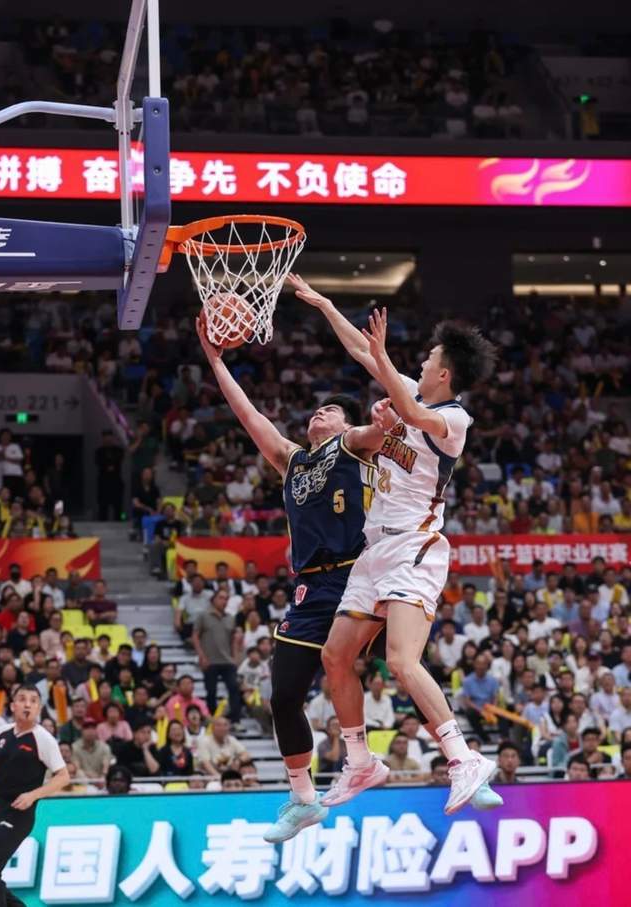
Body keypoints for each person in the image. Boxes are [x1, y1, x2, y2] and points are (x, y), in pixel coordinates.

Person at [294, 277, 499, 815]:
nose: (423, 362)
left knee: (402, 660)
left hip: (415, 547)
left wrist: (384, 363)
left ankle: (463, 758)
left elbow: (415, 415)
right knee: (335, 656)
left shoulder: (453, 418)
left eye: (430, 358)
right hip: (374, 551)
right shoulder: (409, 391)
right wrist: (326, 305)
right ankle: (361, 761)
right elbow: (361, 351)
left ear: (444, 373)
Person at [196, 310, 383, 844]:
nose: (319, 411)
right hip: (310, 589)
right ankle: (304, 798)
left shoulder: (356, 445)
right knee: (282, 696)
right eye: (317, 409)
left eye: (331, 409)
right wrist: (214, 358)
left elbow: (385, 427)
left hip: (358, 577)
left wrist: (387, 402)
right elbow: (247, 413)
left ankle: (444, 754)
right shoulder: (292, 459)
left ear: (345, 425)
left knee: (401, 663)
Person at [0, 684, 69, 907]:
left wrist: (33, 795)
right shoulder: (1, 733)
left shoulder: (43, 739)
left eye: (33, 701)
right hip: (0, 809)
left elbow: (63, 777)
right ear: (12, 706)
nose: (27, 705)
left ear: (39, 708)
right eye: (22, 699)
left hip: (20, 814)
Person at [192, 591, 243, 722]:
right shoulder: (203, 616)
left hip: (227, 660)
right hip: (210, 660)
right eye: (221, 598)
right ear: (213, 600)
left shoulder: (230, 618)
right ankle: (213, 719)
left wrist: (235, 658)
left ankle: (235, 719)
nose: (224, 601)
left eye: (226, 598)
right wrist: (201, 656)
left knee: (234, 688)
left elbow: (233, 640)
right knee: (211, 691)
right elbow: (195, 636)